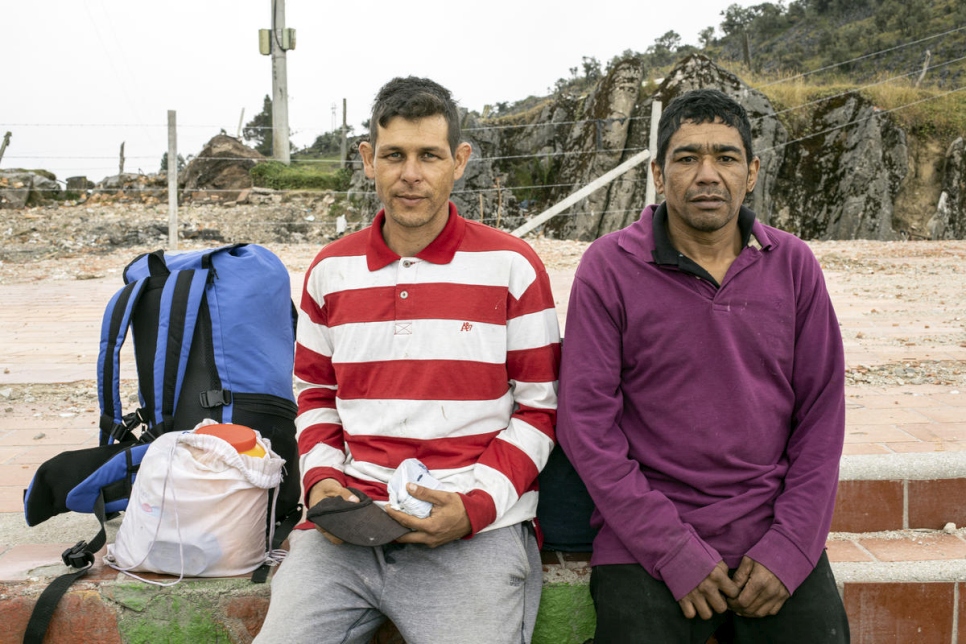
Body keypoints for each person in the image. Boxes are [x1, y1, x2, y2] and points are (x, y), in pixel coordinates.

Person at [255, 76, 561, 644]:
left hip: (476, 532)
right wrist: (321, 483)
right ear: (369, 160)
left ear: (460, 161)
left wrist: (471, 508)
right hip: (349, 528)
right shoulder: (330, 272)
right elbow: (315, 395)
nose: (410, 174)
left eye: (429, 155)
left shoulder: (513, 267)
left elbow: (541, 408)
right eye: (394, 155)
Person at [556, 88, 850, 643]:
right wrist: (671, 549)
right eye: (687, 158)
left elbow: (822, 418)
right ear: (659, 176)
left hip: (771, 530)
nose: (707, 174)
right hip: (645, 539)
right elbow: (586, 426)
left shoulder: (793, 265)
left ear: (753, 171)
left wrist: (790, 547)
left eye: (726, 157)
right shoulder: (609, 267)